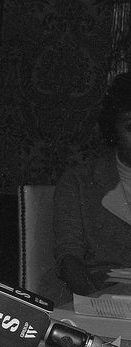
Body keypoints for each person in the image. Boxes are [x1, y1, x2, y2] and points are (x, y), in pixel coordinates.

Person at [53, 72, 131, 297]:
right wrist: (93, 301)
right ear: (112, 128)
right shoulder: (78, 182)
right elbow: (69, 257)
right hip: (98, 296)